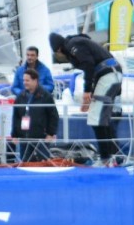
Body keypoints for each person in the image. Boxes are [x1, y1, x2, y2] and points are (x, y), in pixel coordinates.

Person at [52, 31, 125, 163]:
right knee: (104, 118)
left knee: (96, 118)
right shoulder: (80, 42)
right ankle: (114, 156)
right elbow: (95, 66)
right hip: (112, 74)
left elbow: (88, 64)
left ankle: (106, 158)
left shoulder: (72, 45)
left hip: (108, 75)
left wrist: (87, 91)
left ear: (58, 49)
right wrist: (90, 95)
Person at [9, 67, 59, 163]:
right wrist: (14, 135)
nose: (24, 83)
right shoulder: (21, 96)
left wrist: (50, 133)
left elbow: (53, 116)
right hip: (24, 137)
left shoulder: (46, 96)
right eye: (23, 80)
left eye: (27, 80)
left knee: (43, 162)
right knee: (24, 162)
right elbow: (16, 116)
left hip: (41, 137)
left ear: (35, 80)